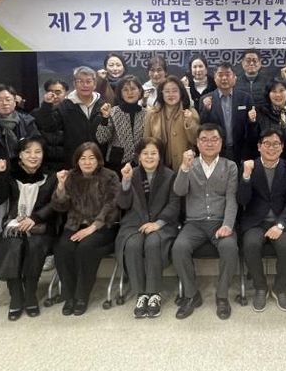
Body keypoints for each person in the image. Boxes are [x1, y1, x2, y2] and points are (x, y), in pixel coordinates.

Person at [171, 124, 239, 320]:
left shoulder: (230, 166)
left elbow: (232, 198)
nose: (209, 143)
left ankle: (222, 296)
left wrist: (228, 225)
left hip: (220, 221)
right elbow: (179, 191)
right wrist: (184, 168)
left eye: (214, 139)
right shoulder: (189, 164)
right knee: (179, 248)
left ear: (221, 142)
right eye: (204, 139)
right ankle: (192, 294)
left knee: (229, 247)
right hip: (194, 223)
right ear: (197, 143)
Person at [0, 137, 57, 320]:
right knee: (13, 245)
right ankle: (16, 295)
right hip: (14, 224)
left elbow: (55, 204)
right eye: (28, 152)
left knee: (35, 246)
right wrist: (0, 175)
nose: (33, 156)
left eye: (38, 152)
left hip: (40, 225)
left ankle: (31, 293)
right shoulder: (10, 173)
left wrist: (35, 218)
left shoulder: (51, 175)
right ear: (20, 155)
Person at [51, 142, 119, 316]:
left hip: (102, 227)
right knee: (63, 248)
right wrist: (60, 186)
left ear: (98, 160)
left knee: (85, 248)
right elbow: (60, 207)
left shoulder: (109, 176)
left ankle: (81, 296)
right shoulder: (71, 177)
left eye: (91, 158)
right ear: (77, 161)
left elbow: (112, 205)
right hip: (75, 225)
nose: (87, 162)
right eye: (83, 158)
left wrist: (93, 227)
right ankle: (69, 296)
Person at [116, 138, 180, 319]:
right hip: (134, 224)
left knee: (153, 243)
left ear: (160, 156)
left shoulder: (170, 175)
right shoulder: (132, 174)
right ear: (138, 156)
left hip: (162, 224)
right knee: (133, 244)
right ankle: (141, 294)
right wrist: (125, 181)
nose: (149, 157)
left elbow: (174, 205)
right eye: (145, 153)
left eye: (153, 153)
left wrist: (157, 224)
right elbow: (122, 204)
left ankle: (154, 294)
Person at [238, 129, 286, 312]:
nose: (271, 148)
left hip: (281, 222)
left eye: (276, 144)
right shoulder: (250, 166)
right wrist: (246, 176)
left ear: (282, 147)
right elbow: (242, 200)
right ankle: (260, 287)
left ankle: (280, 288)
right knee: (250, 244)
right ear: (259, 146)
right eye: (267, 143)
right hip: (255, 222)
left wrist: (280, 225)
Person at [0, 84, 40, 239]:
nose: (4, 103)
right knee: (1, 221)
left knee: (26, 218)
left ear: (15, 101)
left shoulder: (27, 120)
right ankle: (1, 250)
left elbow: (38, 145)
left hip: (24, 178)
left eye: (8, 99)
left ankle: (23, 250)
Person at [32, 66, 103, 168]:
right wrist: (47, 105)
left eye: (88, 81)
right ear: (74, 84)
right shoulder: (65, 106)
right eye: (80, 81)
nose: (85, 85)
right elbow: (49, 127)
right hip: (74, 160)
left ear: (95, 84)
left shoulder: (103, 104)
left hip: (98, 158)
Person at [199, 62, 253, 164]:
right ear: (215, 78)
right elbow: (202, 126)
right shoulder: (206, 99)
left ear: (234, 78)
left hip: (241, 152)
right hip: (216, 153)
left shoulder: (246, 98)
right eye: (220, 75)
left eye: (228, 75)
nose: (224, 78)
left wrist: (252, 120)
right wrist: (207, 110)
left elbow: (251, 129)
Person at [144, 75, 200, 171]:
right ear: (161, 93)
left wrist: (190, 123)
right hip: (158, 165)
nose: (171, 95)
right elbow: (146, 141)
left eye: (174, 91)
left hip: (184, 165)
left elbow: (196, 141)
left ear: (181, 93)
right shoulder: (152, 114)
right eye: (167, 91)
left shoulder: (190, 112)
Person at [247, 78, 286, 166]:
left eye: (281, 91)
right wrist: (252, 123)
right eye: (274, 91)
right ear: (268, 94)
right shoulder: (260, 112)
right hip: (265, 163)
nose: (278, 95)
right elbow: (253, 141)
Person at [95, 75, 146, 173]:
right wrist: (105, 118)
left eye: (133, 89)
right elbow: (101, 139)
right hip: (116, 164)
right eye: (125, 90)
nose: (130, 93)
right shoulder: (112, 112)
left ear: (140, 91)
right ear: (120, 93)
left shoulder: (147, 114)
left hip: (140, 163)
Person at [30, 79, 69, 173]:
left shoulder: (72, 113)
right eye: (50, 92)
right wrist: (47, 105)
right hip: (43, 164)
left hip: (67, 163)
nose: (54, 95)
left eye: (58, 92)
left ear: (65, 94)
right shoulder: (36, 114)